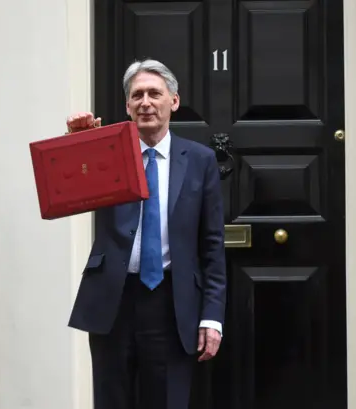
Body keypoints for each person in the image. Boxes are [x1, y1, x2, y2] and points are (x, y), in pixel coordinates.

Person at [66, 59, 226, 409]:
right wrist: (81, 143)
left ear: (174, 101)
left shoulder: (200, 160)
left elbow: (212, 244)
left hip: (172, 300)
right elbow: (71, 193)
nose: (145, 102)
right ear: (127, 106)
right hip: (114, 299)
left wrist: (212, 316)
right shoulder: (106, 153)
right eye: (137, 95)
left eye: (155, 93)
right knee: (112, 400)